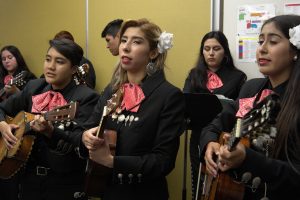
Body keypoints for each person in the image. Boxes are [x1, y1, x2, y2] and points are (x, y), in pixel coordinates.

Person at [81, 19, 185, 200]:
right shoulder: (111, 90)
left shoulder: (169, 95)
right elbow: (89, 126)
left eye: (136, 42)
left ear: (152, 53)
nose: (126, 47)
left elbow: (163, 161)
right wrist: (85, 136)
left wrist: (113, 162)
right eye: (123, 40)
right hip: (108, 192)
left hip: (145, 194)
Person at [200, 15, 300, 199]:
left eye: (273, 41)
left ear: (295, 51)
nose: (261, 49)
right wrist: (210, 142)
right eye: (261, 41)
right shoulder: (251, 88)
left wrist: (248, 159)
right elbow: (216, 123)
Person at [0, 39, 100, 200]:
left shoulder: (88, 98)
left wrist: (51, 132)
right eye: (48, 59)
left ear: (73, 68)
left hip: (64, 183)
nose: (50, 66)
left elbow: (80, 144)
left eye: (59, 62)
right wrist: (3, 125)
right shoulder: (34, 86)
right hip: (28, 179)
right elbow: (2, 108)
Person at [182, 31, 246, 198]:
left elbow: (240, 111)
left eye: (216, 48)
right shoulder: (194, 74)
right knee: (198, 182)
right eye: (207, 48)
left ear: (224, 51)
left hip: (224, 139)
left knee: (219, 184)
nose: (211, 53)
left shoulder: (238, 77)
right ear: (202, 51)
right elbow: (185, 102)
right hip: (197, 135)